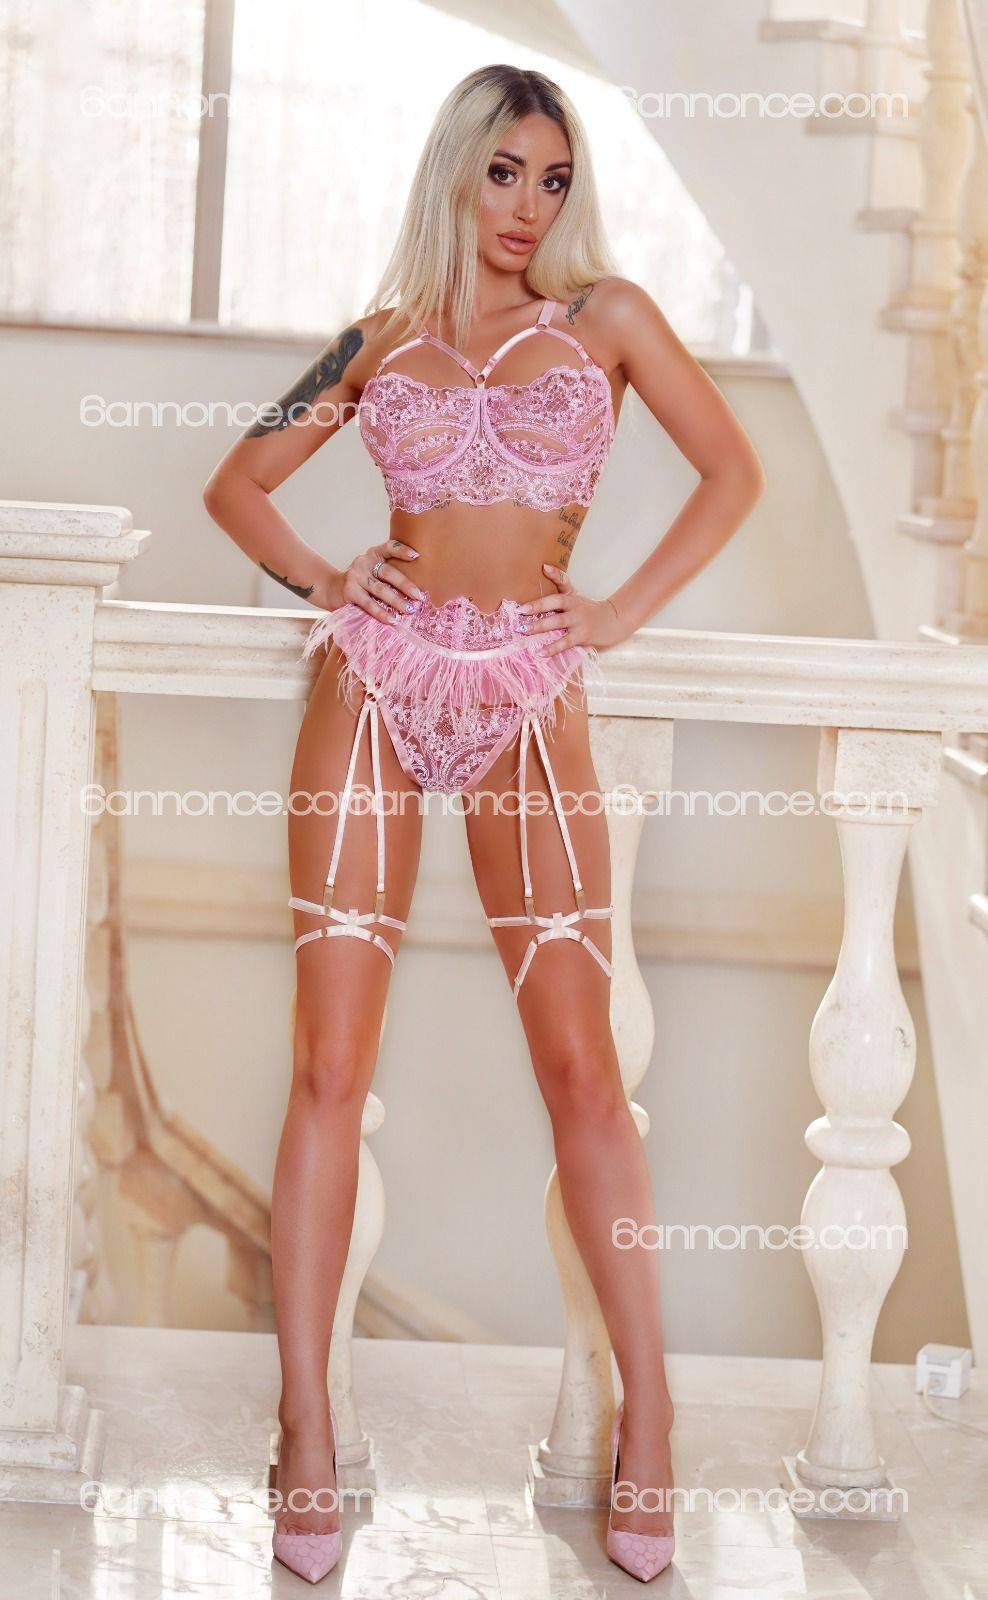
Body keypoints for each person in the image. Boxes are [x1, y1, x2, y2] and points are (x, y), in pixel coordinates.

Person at [203, 61, 765, 1587]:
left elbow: (734, 471)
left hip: (525, 692)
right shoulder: (380, 337)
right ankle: (305, 1429)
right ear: (458, 170)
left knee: (585, 1075)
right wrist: (328, 578)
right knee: (329, 1067)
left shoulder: (610, 318)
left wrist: (616, 615)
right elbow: (237, 483)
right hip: (375, 689)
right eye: (505, 173)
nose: (527, 207)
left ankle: (653, 1423)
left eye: (553, 179)